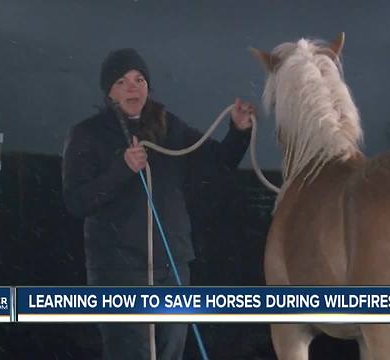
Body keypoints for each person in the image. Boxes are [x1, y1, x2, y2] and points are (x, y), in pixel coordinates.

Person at [61, 48, 254, 360]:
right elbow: (77, 201)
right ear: (109, 92)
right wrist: (122, 169)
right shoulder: (87, 135)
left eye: (139, 80)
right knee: (131, 352)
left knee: (169, 351)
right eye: (122, 82)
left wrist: (239, 131)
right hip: (118, 272)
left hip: (171, 267)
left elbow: (218, 164)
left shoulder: (168, 127)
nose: (133, 87)